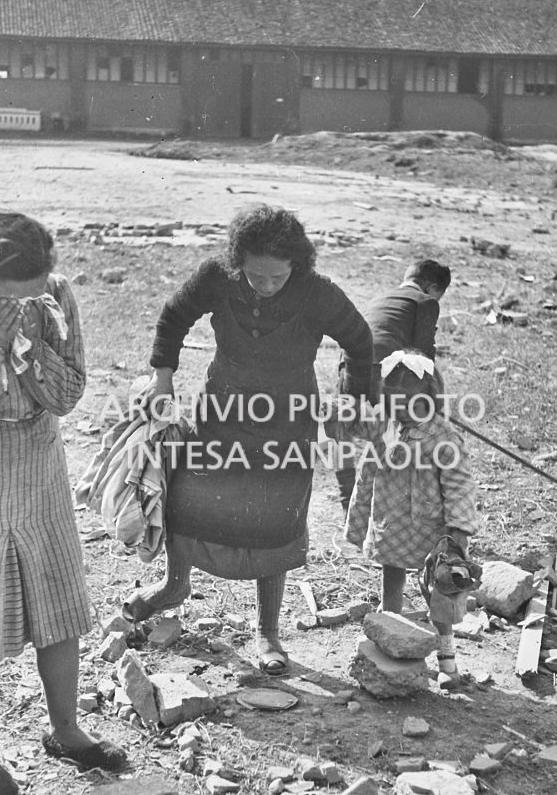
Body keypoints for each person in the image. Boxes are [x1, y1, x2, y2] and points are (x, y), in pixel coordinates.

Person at [124, 204, 373, 674]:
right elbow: (174, 317)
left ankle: (268, 632)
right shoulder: (217, 276)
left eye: (276, 278)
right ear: (238, 263)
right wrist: (163, 379)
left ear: (296, 266)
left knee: (273, 517)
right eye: (255, 276)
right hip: (222, 405)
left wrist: (355, 399)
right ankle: (173, 586)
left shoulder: (318, 294)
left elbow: (359, 341)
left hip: (288, 418)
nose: (265, 285)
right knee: (189, 495)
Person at [0, 212, 127, 795]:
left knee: (58, 596)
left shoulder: (53, 295)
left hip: (39, 459)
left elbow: (69, 392)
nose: (28, 305)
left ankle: (67, 729)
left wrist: (28, 356)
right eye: (13, 298)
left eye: (35, 294)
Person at [325, 348, 477, 688]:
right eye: (391, 400)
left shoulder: (444, 437)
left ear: (428, 396)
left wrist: (458, 532)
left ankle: (447, 661)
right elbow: (352, 423)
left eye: (407, 401)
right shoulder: (386, 423)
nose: (398, 408)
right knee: (391, 581)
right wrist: (338, 408)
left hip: (430, 527)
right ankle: (389, 640)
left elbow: (459, 485)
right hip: (392, 522)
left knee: (438, 591)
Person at [335, 258, 451, 513]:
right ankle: (388, 502)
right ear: (432, 288)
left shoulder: (381, 298)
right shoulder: (425, 301)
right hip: (383, 373)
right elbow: (422, 358)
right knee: (393, 434)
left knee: (341, 431)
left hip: (350, 367)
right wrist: (434, 406)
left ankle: (347, 501)